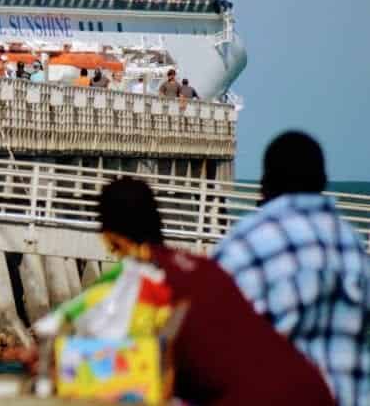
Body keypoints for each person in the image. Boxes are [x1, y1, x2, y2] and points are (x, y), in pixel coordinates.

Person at [95, 177, 333, 406]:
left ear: (112, 238)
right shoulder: (204, 267)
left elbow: (141, 372)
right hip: (311, 388)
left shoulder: (146, 279)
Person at [214, 132, 370, 404]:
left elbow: (210, 331)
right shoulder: (352, 243)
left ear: (265, 183)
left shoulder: (248, 242)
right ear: (322, 181)